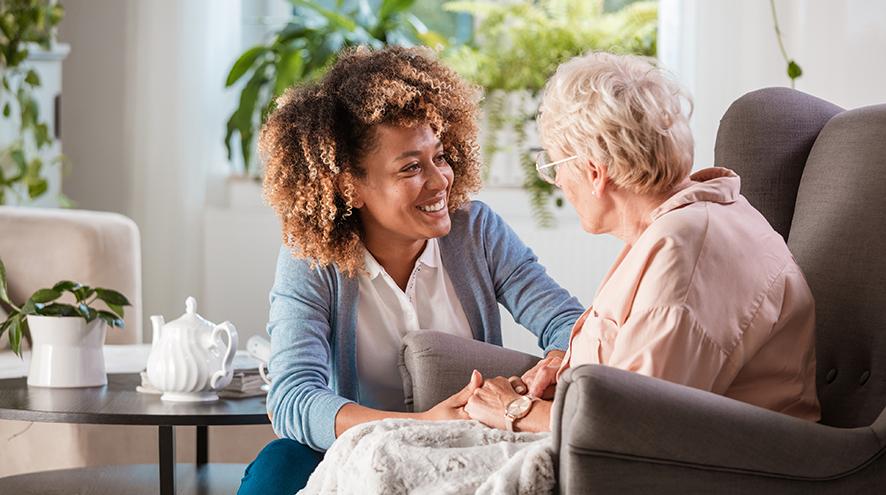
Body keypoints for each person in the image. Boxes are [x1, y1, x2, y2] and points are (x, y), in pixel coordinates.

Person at [236, 46, 585, 494]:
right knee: (278, 467)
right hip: (356, 448)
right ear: (350, 185)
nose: (440, 180)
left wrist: (554, 365)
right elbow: (293, 398)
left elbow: (568, 324)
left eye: (439, 156)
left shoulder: (475, 231)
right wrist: (418, 424)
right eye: (411, 167)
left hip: (467, 446)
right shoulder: (312, 257)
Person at [462, 51, 821, 433]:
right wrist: (569, 369)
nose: (559, 183)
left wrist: (515, 410)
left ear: (595, 172)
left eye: (553, 167)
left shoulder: (684, 252)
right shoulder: (685, 223)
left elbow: (634, 427)